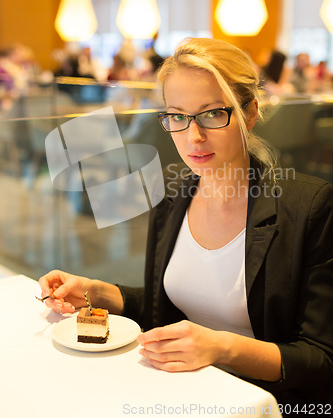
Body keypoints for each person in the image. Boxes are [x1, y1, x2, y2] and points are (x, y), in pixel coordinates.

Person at [39, 38, 333, 410]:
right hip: (183, 393)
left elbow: (322, 359)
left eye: (212, 113)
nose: (193, 137)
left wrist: (222, 347)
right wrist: (96, 292)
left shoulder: (308, 207)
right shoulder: (173, 193)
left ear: (250, 112)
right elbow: (168, 305)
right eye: (177, 116)